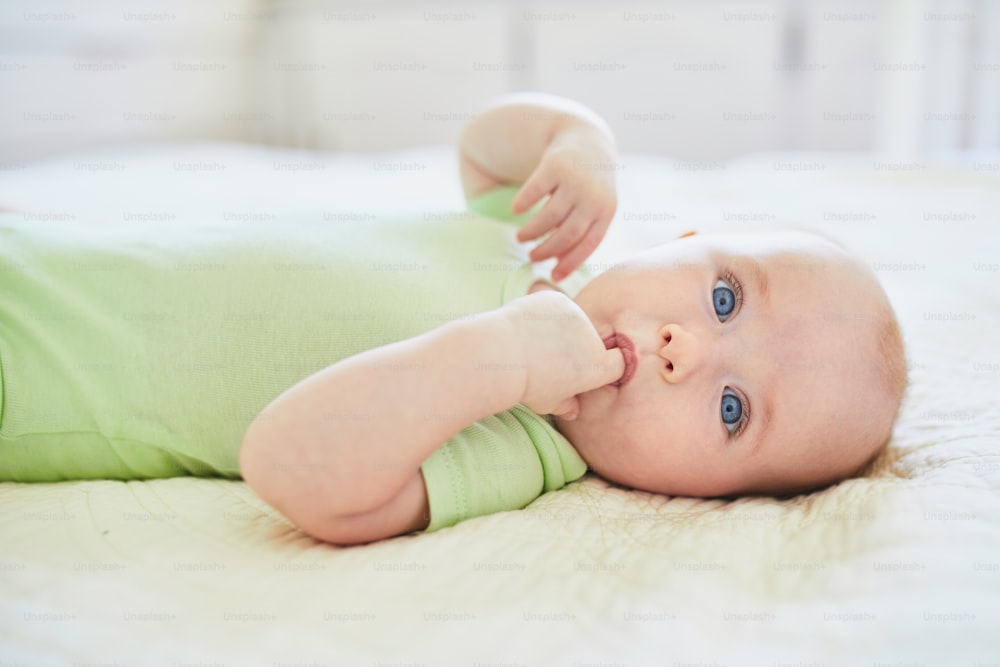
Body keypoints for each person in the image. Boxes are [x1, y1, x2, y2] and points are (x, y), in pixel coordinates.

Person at [0, 94, 906, 547]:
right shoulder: (551, 246)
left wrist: (497, 362)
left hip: (33, 369)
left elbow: (287, 466)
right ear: (687, 237)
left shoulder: (518, 444)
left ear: (706, 500)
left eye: (733, 409)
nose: (687, 350)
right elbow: (482, 143)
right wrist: (576, 137)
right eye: (723, 297)